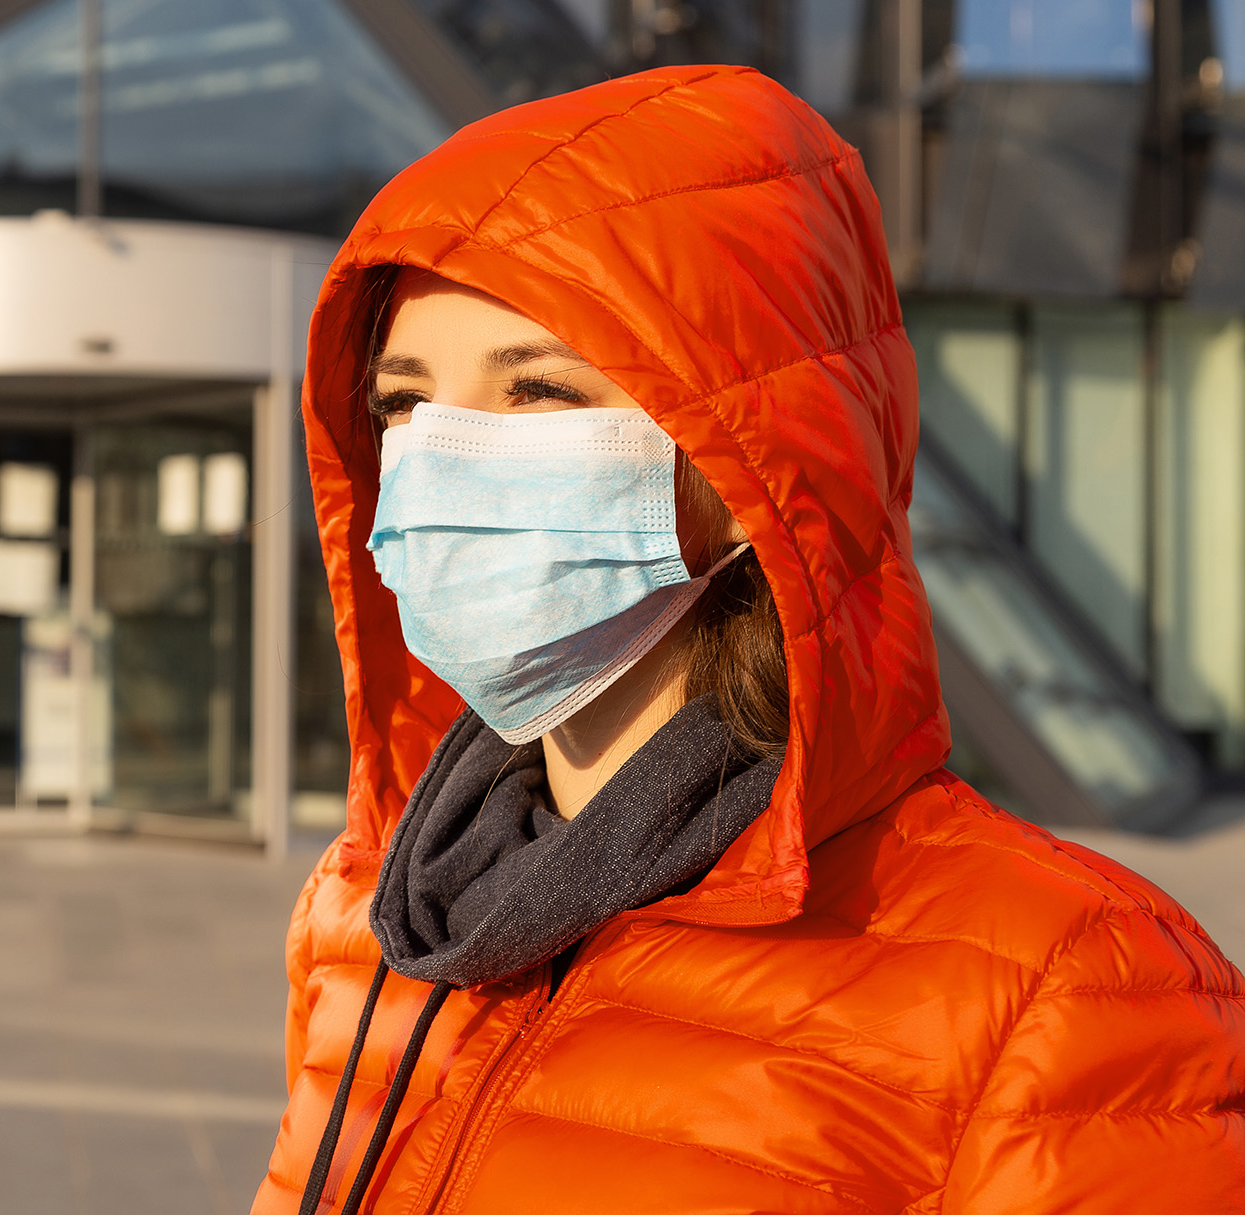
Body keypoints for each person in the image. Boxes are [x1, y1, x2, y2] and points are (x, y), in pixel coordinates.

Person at [251, 66, 1245, 1215]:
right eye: (403, 404)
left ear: (752, 461)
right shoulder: (372, 914)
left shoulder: (1071, 984)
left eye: (539, 392)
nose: (445, 455)